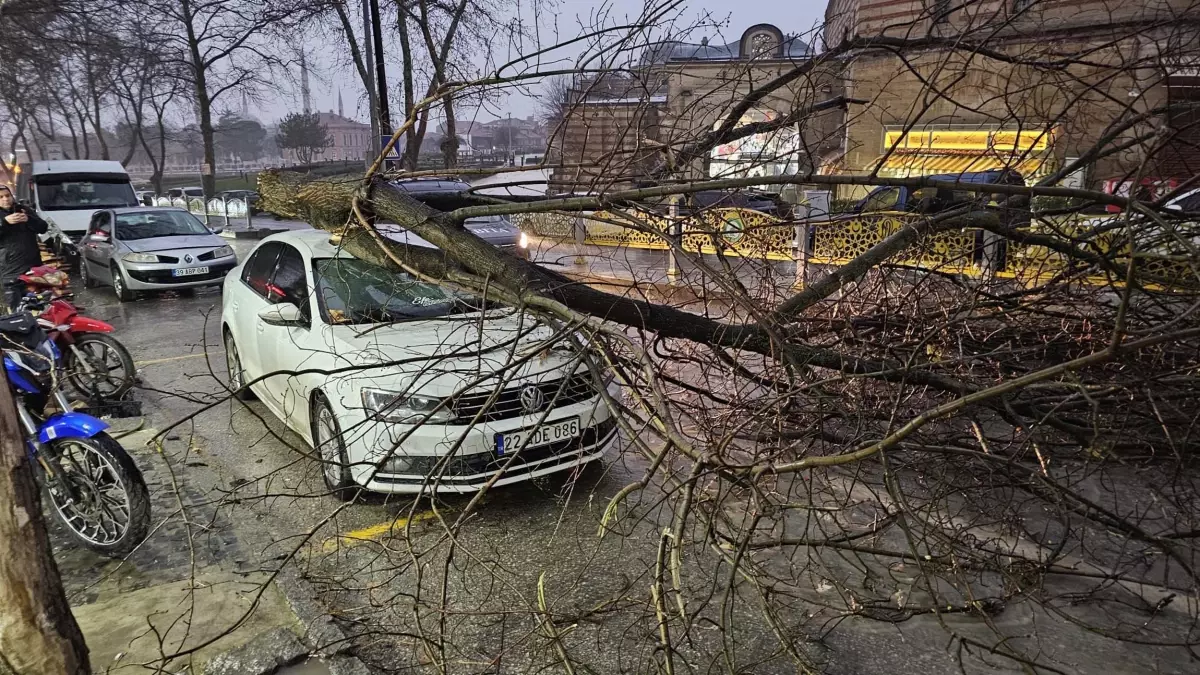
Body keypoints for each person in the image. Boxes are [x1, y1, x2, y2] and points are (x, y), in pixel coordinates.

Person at [0, 185, 49, 312]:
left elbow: (43, 227)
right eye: (1, 197)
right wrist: (4, 222)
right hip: (10, 270)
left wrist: (29, 219)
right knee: (17, 309)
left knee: (39, 306)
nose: (5, 199)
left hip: (33, 266)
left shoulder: (23, 209)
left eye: (7, 195)